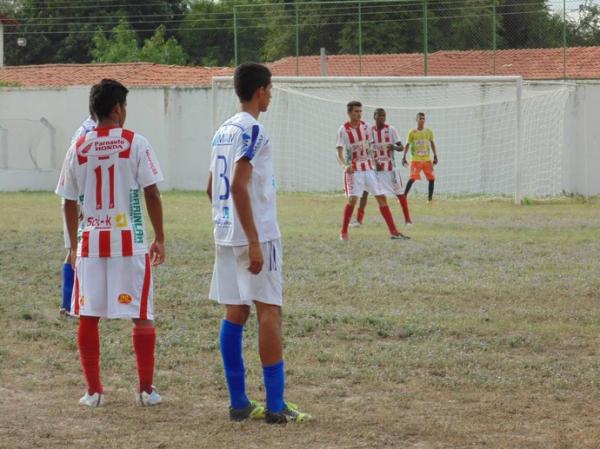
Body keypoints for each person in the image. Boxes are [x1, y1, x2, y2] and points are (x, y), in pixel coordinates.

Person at [207, 63, 311, 423]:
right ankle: (276, 406)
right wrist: (252, 240)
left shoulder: (222, 130)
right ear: (260, 90)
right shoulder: (254, 129)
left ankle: (239, 403)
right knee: (270, 310)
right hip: (257, 234)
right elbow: (238, 185)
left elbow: (212, 188)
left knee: (235, 312)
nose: (271, 94)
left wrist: (230, 226)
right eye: (270, 88)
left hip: (224, 231)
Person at [55, 79, 165, 408]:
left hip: (90, 244)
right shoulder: (135, 142)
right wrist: (159, 236)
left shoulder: (79, 146)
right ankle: (146, 390)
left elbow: (67, 201)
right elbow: (151, 192)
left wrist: (74, 247)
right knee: (141, 315)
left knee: (88, 316)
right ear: (117, 109)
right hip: (128, 244)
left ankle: (94, 392)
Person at [336, 101, 408, 241]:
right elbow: (339, 152)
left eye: (360, 111)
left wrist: (375, 163)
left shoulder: (366, 127)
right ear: (349, 113)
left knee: (381, 197)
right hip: (354, 170)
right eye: (356, 111)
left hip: (369, 169)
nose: (359, 114)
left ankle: (393, 232)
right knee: (353, 200)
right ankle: (343, 232)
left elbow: (370, 148)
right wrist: (345, 166)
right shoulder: (343, 130)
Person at [59, 113, 96, 316]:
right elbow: (74, 168)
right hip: (77, 200)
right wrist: (79, 203)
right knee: (76, 250)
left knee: (77, 250)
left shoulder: (87, 130)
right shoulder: (87, 132)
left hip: (79, 199)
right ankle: (70, 303)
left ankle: (71, 303)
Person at [350, 109, 412, 226]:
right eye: (380, 116)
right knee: (364, 192)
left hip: (390, 169)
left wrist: (392, 146)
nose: (382, 118)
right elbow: (367, 149)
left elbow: (401, 147)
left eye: (384, 116)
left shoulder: (391, 130)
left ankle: (408, 220)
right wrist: (374, 161)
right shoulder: (370, 131)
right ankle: (359, 220)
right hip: (374, 168)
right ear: (375, 117)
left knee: (400, 193)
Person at [402, 112, 438, 203]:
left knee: (432, 179)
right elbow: (407, 144)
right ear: (416, 120)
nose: (422, 120)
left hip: (427, 160)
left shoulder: (428, 131)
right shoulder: (412, 132)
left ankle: (429, 199)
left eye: (423, 118)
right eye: (420, 118)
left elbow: (432, 143)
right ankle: (403, 197)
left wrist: (435, 156)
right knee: (412, 178)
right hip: (416, 160)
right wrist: (404, 156)